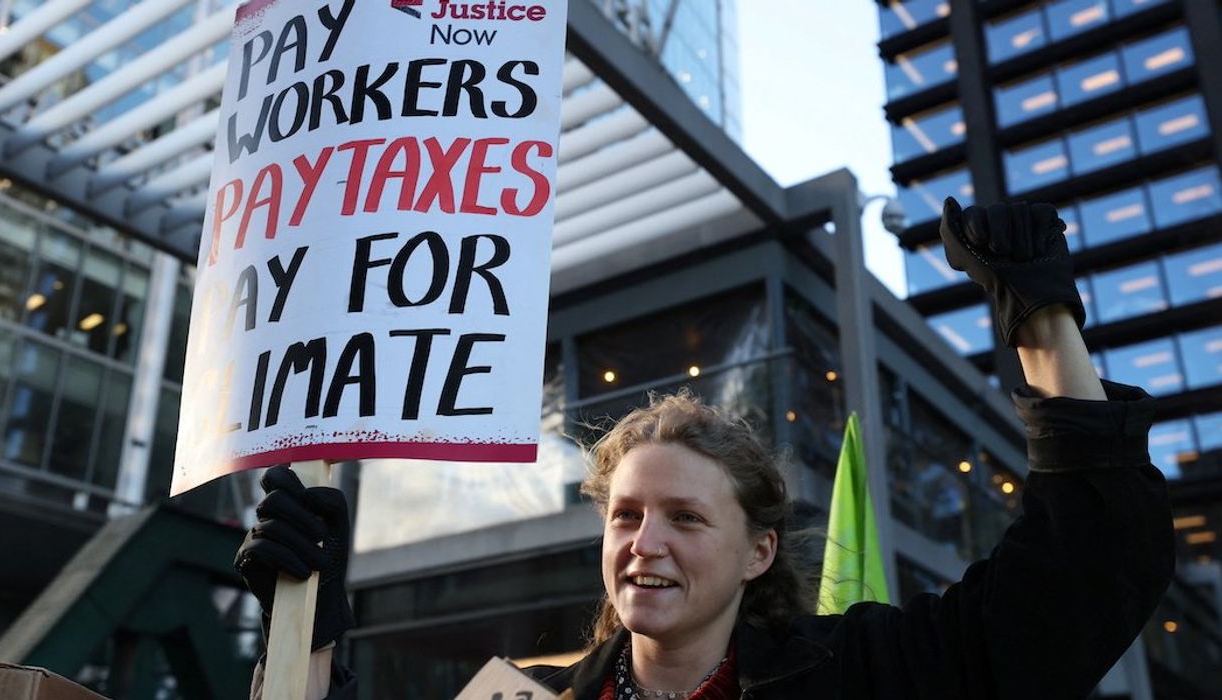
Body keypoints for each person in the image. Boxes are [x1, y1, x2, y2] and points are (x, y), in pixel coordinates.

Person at [236, 198, 1174, 699]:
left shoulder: (868, 675)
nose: (644, 541)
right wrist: (306, 643)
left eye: (685, 517)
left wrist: (1042, 327)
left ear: (757, 549)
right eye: (627, 515)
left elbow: (1085, 576)